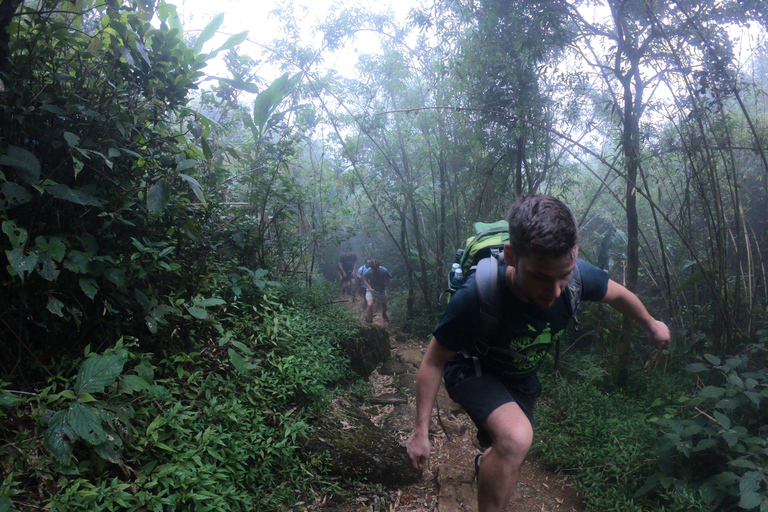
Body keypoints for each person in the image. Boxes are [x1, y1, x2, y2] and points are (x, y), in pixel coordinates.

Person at [406, 195, 670, 512]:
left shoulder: (575, 278)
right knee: (516, 438)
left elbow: (617, 294)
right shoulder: (476, 296)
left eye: (565, 275)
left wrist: (651, 323)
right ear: (512, 256)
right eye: (541, 278)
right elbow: (433, 361)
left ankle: (483, 463)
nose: (556, 290)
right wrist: (420, 431)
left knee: (511, 447)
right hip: (473, 368)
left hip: (521, 377)